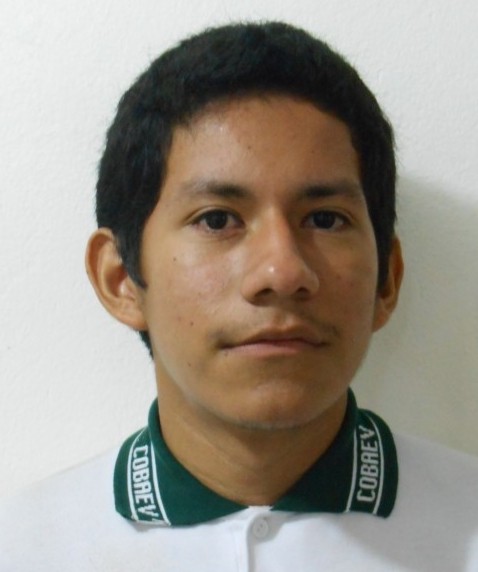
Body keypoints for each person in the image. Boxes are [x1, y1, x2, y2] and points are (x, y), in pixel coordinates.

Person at [1, 21, 477, 571]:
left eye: (325, 219)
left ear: (386, 281)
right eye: (217, 219)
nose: (282, 271)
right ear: (121, 279)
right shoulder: (24, 548)